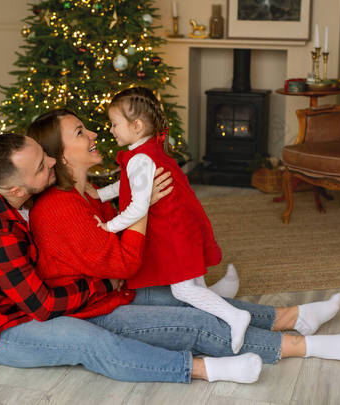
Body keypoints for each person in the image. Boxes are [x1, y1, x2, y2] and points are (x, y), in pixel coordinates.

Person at [26, 107, 340, 383]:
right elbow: (123, 262)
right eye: (80, 132)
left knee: (197, 300)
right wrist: (145, 206)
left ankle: (292, 317)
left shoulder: (85, 193)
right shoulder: (60, 206)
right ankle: (302, 345)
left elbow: (110, 253)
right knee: (196, 323)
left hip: (112, 292)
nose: (95, 134)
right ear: (60, 156)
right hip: (91, 313)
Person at [84, 87, 250, 354]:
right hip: (183, 225)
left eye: (114, 124)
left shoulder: (139, 157)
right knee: (191, 282)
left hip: (173, 232)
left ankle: (235, 316)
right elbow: (127, 184)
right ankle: (217, 296)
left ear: (136, 126)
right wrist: (102, 194)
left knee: (182, 290)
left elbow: (138, 206)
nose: (111, 130)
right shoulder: (148, 149)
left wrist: (109, 227)